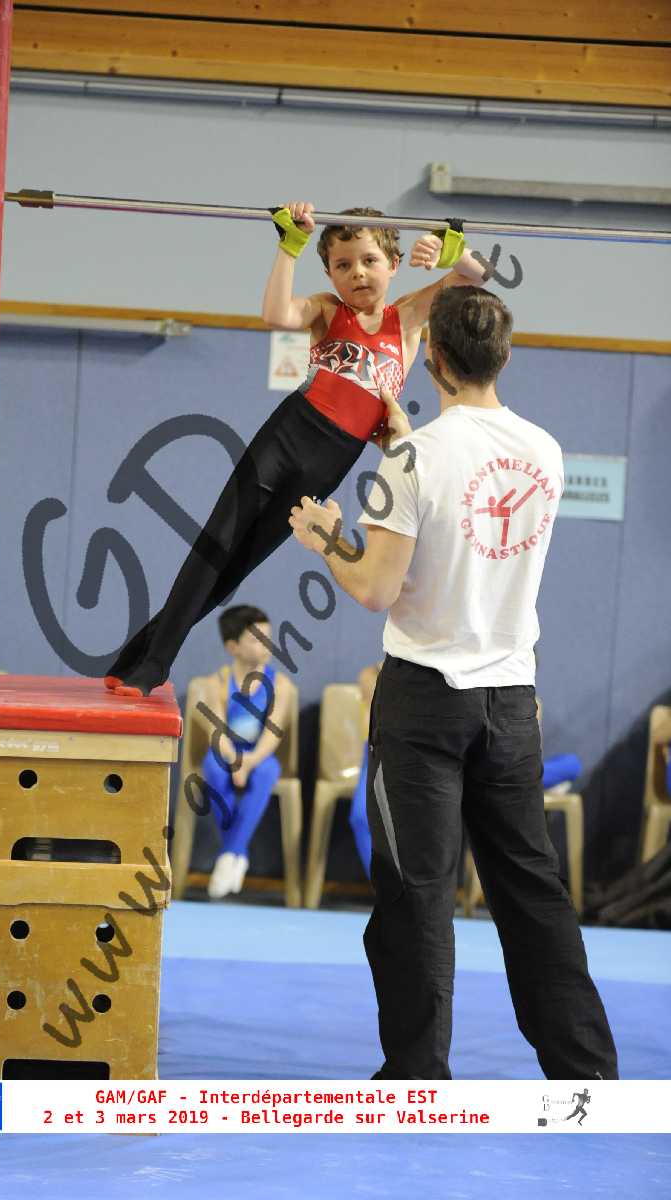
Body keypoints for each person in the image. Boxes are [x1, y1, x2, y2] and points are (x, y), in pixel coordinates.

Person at [289, 265, 618, 1080]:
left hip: (426, 702)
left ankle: (417, 1074)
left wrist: (325, 537)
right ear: (501, 356)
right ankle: (585, 1071)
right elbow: (469, 495)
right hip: (510, 700)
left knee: (416, 891)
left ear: (430, 356)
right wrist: (407, 444)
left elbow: (374, 588)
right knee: (530, 890)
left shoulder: (412, 460)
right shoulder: (542, 450)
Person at [105, 204, 488, 696]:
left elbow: (477, 274)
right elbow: (275, 314)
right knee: (214, 546)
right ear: (329, 274)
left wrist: (449, 252)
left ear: (394, 264)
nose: (358, 273)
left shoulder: (409, 317)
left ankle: (140, 655)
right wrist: (289, 248)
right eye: (344, 265)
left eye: (369, 261)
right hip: (285, 435)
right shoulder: (328, 311)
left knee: (235, 567)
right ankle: (155, 664)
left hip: (330, 459)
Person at [194, 605, 293, 899]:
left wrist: (250, 762)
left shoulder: (281, 684)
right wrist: (234, 759)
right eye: (255, 639)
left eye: (268, 637)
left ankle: (229, 853)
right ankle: (237, 853)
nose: (265, 644)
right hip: (226, 752)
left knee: (267, 771)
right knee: (214, 769)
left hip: (259, 754)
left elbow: (273, 733)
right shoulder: (217, 683)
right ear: (232, 647)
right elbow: (216, 731)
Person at [349, 661, 383, 878]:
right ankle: (386, 889)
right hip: (376, 752)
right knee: (361, 815)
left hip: (420, 754)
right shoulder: (370, 676)